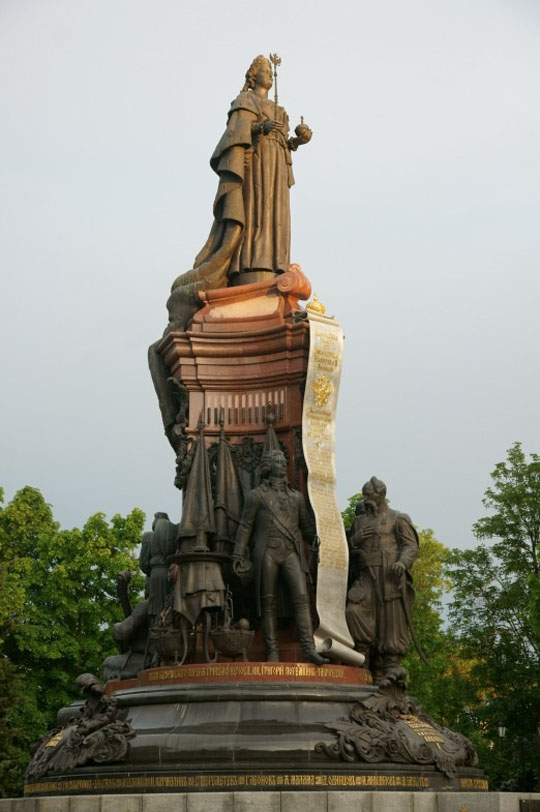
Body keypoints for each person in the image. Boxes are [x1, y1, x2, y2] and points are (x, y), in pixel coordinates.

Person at [166, 55, 312, 329]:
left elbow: (285, 142)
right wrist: (260, 127)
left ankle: (274, 266)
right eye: (264, 70)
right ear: (253, 75)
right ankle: (250, 267)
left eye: (270, 71)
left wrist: (297, 141)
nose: (269, 74)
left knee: (274, 217)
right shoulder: (245, 102)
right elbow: (237, 133)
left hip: (277, 171)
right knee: (257, 213)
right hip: (256, 168)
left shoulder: (280, 109)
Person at [232, 449, 327, 665]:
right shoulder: (256, 496)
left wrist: (324, 536)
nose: (282, 464)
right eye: (277, 461)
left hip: (291, 551)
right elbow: (245, 526)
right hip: (266, 552)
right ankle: (272, 651)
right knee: (268, 603)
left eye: (284, 461)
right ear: (268, 466)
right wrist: (238, 554)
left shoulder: (297, 497)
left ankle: (308, 649)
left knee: (302, 599)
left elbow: (306, 527)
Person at [346, 477, 419, 682]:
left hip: (388, 576)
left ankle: (388, 668)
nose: (366, 498)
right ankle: (362, 661)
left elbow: (410, 546)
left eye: (369, 495)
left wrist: (402, 563)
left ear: (380, 495)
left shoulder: (398, 518)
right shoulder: (360, 520)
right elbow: (348, 549)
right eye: (365, 495)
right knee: (354, 611)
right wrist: (355, 540)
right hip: (366, 576)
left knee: (390, 622)